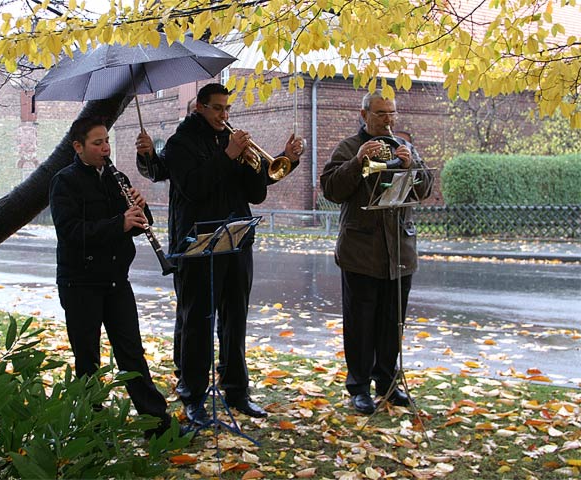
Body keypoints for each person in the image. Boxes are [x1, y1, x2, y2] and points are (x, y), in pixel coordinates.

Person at [161, 83, 303, 425]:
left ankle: (237, 391)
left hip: (237, 241)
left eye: (227, 109)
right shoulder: (179, 145)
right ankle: (192, 395)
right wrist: (227, 155)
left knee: (236, 319)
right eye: (217, 109)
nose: (224, 115)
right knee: (198, 322)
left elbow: (256, 194)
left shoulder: (229, 141)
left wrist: (281, 161)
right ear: (199, 108)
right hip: (198, 245)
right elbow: (193, 187)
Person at [50, 116, 171, 438]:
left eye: (107, 141)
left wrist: (141, 212)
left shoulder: (116, 176)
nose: (105, 148)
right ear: (78, 147)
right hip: (80, 282)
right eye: (97, 143)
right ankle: (92, 428)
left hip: (116, 279)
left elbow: (137, 226)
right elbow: (71, 232)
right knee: (87, 358)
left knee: (131, 353)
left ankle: (157, 424)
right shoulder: (65, 182)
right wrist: (118, 223)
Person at [320, 90, 433, 414]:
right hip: (361, 252)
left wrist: (414, 166)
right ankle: (359, 387)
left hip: (399, 251)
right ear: (364, 114)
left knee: (391, 323)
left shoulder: (404, 146)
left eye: (392, 113)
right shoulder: (348, 148)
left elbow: (424, 188)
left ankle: (387, 383)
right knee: (361, 325)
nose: (388, 119)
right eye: (381, 113)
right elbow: (331, 189)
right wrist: (357, 162)